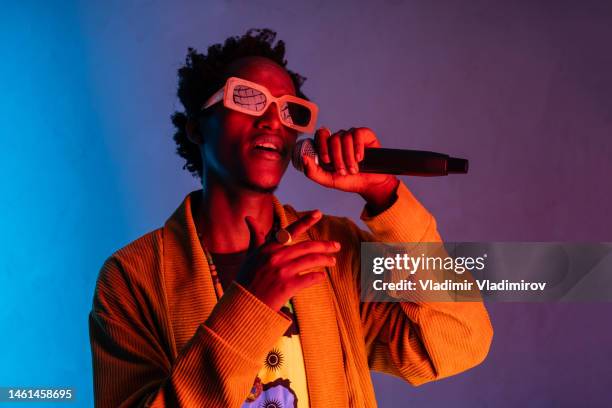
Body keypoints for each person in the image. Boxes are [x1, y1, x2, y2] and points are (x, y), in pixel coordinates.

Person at [88, 28, 493, 407]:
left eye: (289, 112)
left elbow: (459, 340)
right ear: (196, 127)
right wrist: (250, 304)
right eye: (246, 97)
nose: (271, 120)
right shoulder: (131, 277)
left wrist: (384, 193)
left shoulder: (335, 250)